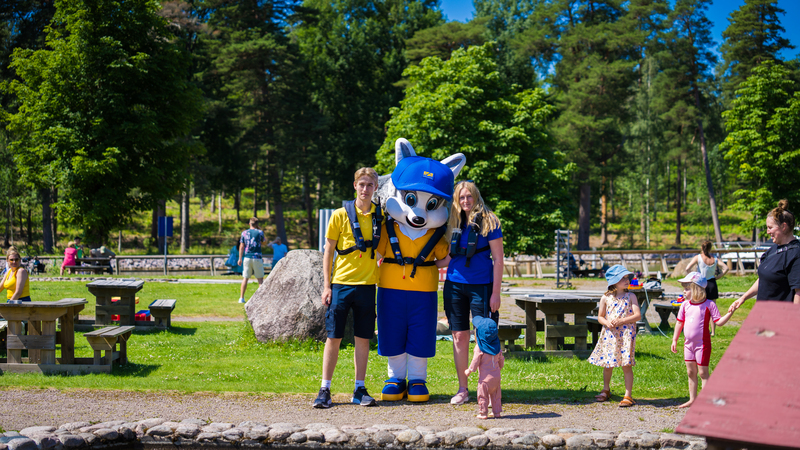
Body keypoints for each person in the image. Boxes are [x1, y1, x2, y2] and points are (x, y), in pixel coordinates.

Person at [313, 167, 382, 409]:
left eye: (370, 185)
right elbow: (328, 251)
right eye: (362, 184)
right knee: (334, 337)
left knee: (363, 338)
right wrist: (327, 286)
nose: (365, 189)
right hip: (341, 284)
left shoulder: (380, 217)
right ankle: (325, 389)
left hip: (367, 286)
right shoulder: (339, 215)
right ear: (355, 186)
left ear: (376, 188)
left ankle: (359, 389)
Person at [436, 180, 504, 406]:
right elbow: (449, 257)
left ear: (476, 197)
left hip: (481, 286)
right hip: (454, 285)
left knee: (484, 335)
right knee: (459, 336)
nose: (465, 201)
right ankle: (462, 389)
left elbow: (498, 259)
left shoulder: (490, 221)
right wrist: (424, 263)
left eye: (469, 196)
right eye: (461, 197)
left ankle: (488, 387)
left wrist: (496, 293)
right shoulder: (454, 221)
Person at [671, 272, 734, 408]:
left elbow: (718, 322)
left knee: (702, 373)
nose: (684, 291)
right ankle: (692, 399)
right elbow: (679, 322)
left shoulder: (709, 304)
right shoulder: (684, 305)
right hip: (688, 345)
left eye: (687, 288)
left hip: (702, 345)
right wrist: (674, 340)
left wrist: (730, 312)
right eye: (684, 288)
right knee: (690, 372)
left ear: (697, 289)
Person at [729, 199, 800, 312]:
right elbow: (764, 279)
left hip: (782, 316)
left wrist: (794, 318)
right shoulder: (772, 250)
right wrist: (743, 297)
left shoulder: (795, 254)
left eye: (770, 227)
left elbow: (798, 292)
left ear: (783, 226)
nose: (767, 232)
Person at [588, 265, 642, 407]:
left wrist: (622, 321)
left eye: (627, 278)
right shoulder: (606, 298)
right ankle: (606, 389)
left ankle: (628, 395)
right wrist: (607, 322)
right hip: (610, 335)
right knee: (608, 363)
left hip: (626, 335)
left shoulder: (631, 296)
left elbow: (637, 315)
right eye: (622, 278)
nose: (626, 280)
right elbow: (600, 316)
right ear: (614, 281)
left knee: (626, 364)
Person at [685, 240, 729, 336]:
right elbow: (726, 268)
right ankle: (713, 332)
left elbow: (687, 268)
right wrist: (718, 277)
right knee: (713, 309)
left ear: (701, 248)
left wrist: (693, 277)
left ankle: (700, 329)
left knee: (700, 307)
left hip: (701, 284)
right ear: (710, 248)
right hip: (712, 284)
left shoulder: (698, 257)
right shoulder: (715, 259)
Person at [464, 316, 504, 419]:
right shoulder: (497, 347)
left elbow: (475, 360)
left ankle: (483, 413)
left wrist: (470, 370)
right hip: (496, 377)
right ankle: (497, 412)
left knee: (482, 396)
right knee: (496, 396)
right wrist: (500, 367)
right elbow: (501, 359)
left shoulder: (480, 348)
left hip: (485, 379)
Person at [237, 217, 266, 304]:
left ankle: (241, 298)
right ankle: (261, 299)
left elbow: (241, 246)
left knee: (245, 278)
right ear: (257, 224)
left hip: (247, 257)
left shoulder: (244, 233)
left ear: (249, 224)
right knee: (260, 279)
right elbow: (264, 243)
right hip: (257, 257)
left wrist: (240, 258)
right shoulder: (260, 232)